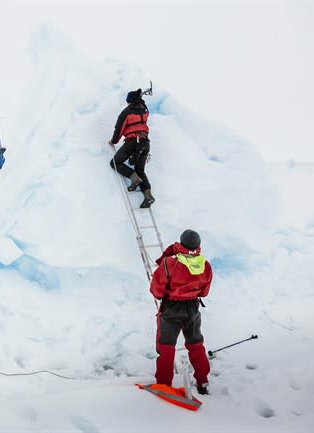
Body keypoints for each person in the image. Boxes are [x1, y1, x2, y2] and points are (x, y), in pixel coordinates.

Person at [149, 229, 213, 395]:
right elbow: (204, 292)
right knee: (196, 345)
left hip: (171, 309)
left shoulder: (169, 263)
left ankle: (164, 385)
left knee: (166, 347)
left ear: (181, 243)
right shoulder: (205, 265)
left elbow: (157, 291)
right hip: (192, 308)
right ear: (198, 246)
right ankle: (203, 382)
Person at [108, 89, 155, 208]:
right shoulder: (144, 110)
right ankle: (148, 196)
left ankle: (134, 178)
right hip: (145, 143)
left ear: (130, 102)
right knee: (140, 170)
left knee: (115, 162)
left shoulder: (126, 112)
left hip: (133, 142)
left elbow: (119, 129)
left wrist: (113, 141)